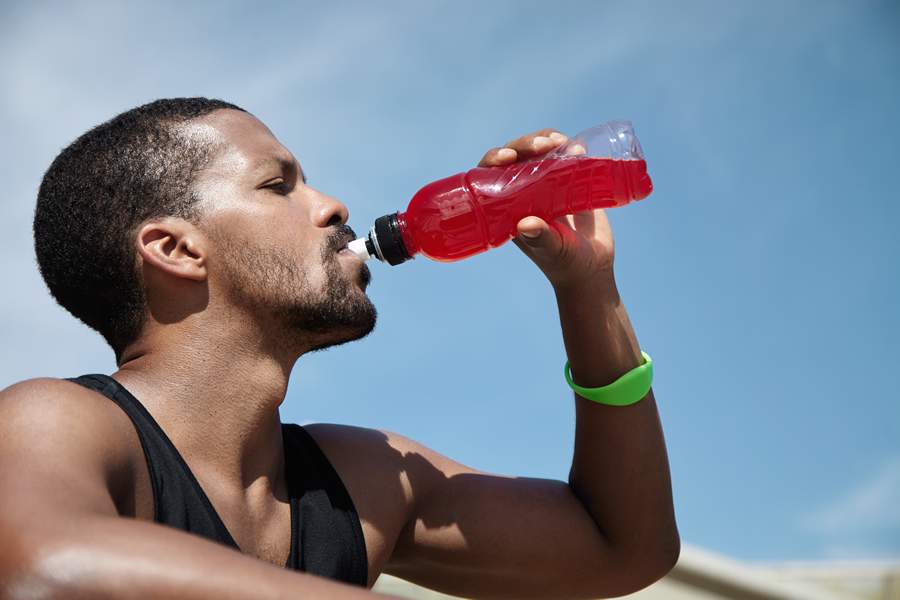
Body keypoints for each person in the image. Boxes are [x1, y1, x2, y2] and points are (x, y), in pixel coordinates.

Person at [0, 98, 679, 599]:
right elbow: (41, 567)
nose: (333, 206)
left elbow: (621, 550)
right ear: (176, 249)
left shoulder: (361, 481)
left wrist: (588, 287)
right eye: (278, 185)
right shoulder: (57, 421)